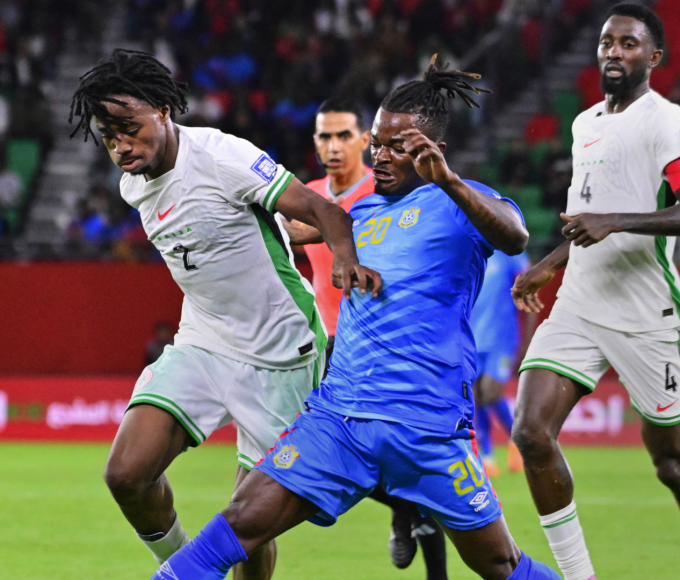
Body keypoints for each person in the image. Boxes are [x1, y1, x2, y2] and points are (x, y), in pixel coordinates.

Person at [150, 59, 561, 580]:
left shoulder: (460, 203)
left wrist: (450, 182)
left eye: (397, 147)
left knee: (501, 565)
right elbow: (276, 229)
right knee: (236, 526)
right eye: (378, 145)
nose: (380, 157)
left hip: (427, 430)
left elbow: (515, 236)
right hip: (339, 423)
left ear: (433, 150)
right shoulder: (359, 213)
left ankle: (414, 520)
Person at [69, 48, 380, 580]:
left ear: (164, 110)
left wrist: (345, 260)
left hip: (282, 352)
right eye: (108, 136)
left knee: (249, 526)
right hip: (205, 340)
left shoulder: (222, 156)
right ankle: (182, 569)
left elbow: (322, 209)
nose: (121, 146)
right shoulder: (133, 184)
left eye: (130, 129)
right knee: (126, 474)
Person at [510, 5, 680, 580]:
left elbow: (626, 217)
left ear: (653, 57)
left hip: (646, 311)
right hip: (579, 305)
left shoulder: (666, 122)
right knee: (531, 433)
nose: (614, 51)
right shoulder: (584, 123)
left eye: (629, 44)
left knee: (671, 464)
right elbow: (587, 219)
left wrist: (616, 221)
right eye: (608, 42)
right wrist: (548, 264)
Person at [284, 96, 448, 577]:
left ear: (364, 140)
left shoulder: (385, 192)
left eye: (343, 136)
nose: (333, 146)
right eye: (324, 136)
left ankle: (412, 514)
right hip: (324, 344)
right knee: (321, 449)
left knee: (389, 455)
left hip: (379, 345)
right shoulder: (309, 196)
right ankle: (405, 506)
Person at [470, 250, 535, 477]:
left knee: (490, 393)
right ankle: (487, 457)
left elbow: (529, 290)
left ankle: (516, 438)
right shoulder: (474, 252)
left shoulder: (509, 253)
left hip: (502, 338)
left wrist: (527, 339)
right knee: (476, 397)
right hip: (473, 337)